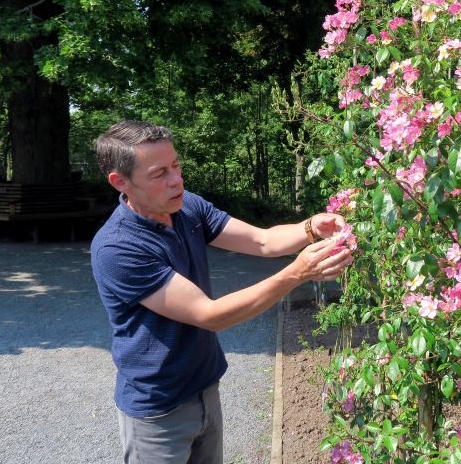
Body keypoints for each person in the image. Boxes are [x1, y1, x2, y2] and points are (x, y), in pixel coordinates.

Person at [90, 119, 352, 464]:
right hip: (157, 411)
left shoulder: (186, 206)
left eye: (176, 165)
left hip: (205, 388)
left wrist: (310, 228)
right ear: (120, 182)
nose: (176, 180)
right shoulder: (118, 248)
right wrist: (298, 273)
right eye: (159, 173)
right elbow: (210, 315)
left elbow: (262, 240)